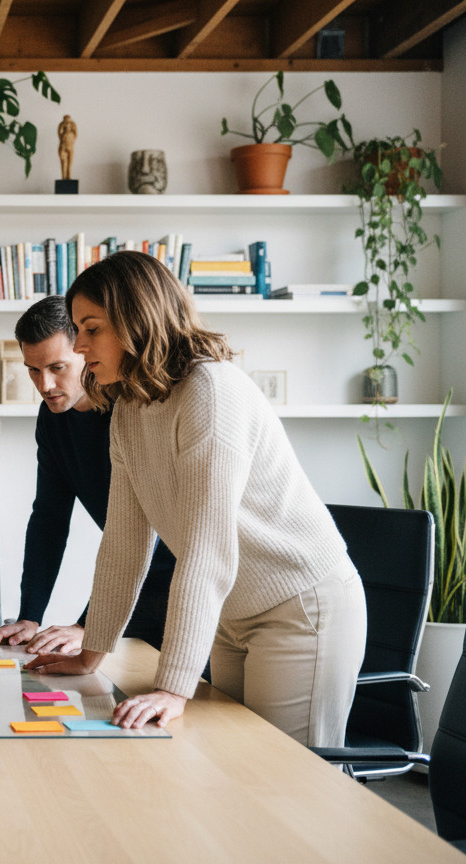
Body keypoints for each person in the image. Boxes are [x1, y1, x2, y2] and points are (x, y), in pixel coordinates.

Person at [25, 251, 366, 747]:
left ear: (135, 319)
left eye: (91, 328)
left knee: (287, 784)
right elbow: (124, 545)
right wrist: (91, 651)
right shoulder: (129, 410)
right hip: (233, 615)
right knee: (232, 772)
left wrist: (172, 687)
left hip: (301, 610)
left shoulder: (210, 390)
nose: (79, 344)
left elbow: (209, 550)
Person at [0, 295, 176, 654]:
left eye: (57, 367)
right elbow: (49, 520)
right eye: (33, 370)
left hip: (182, 582)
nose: (45, 384)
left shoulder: (131, 410)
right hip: (135, 587)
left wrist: (88, 625)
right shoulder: (52, 419)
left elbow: (143, 538)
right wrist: (29, 616)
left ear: (86, 351)